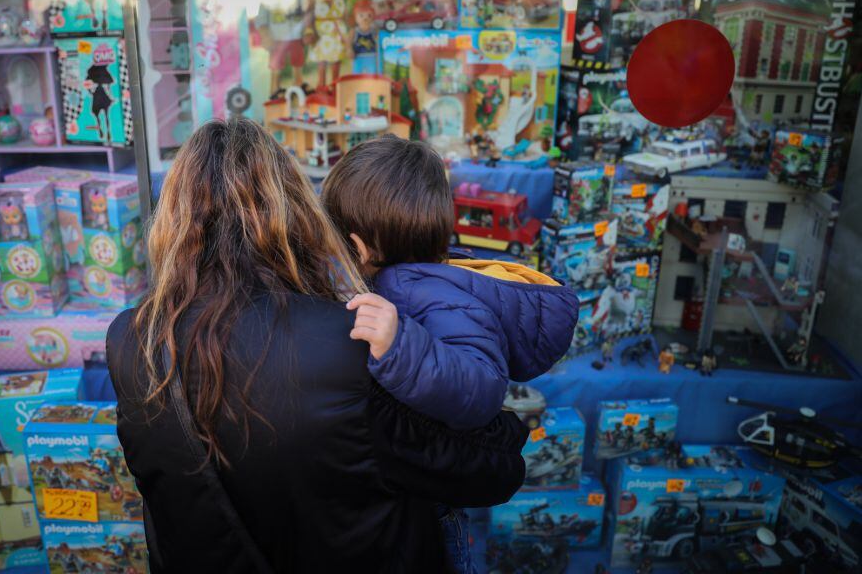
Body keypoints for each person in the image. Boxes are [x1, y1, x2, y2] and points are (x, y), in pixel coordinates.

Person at [108, 118, 528, 574]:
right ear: (294, 211)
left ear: (172, 219)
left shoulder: (131, 341)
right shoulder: (343, 341)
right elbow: (486, 471)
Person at [322, 135, 579, 572]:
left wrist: (401, 347)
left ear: (360, 249)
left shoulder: (429, 295)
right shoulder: (409, 282)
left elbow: (481, 386)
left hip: (435, 513)